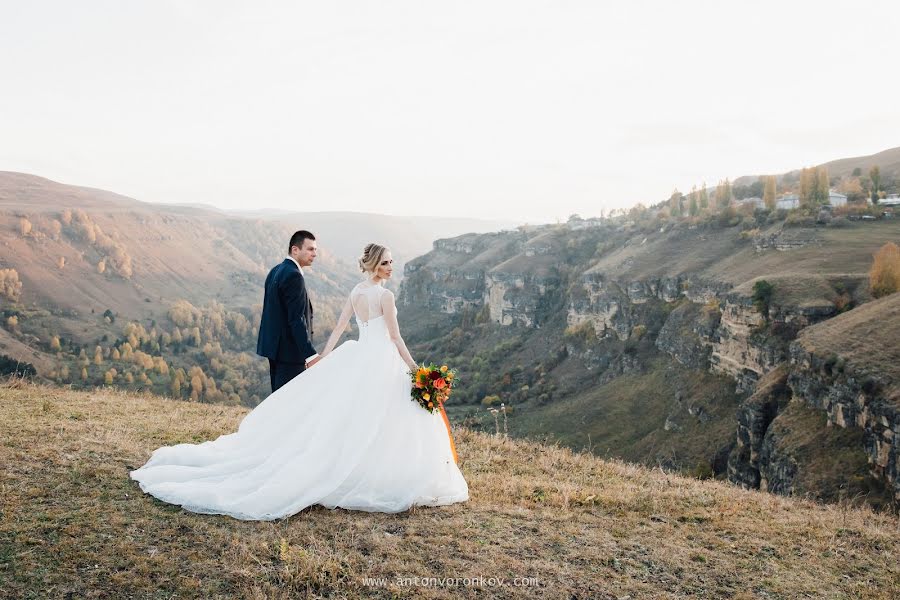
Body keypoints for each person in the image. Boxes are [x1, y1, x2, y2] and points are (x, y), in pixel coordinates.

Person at [129, 243, 469, 520]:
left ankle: (356, 466)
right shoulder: (386, 297)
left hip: (359, 356)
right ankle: (374, 474)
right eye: (387, 263)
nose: (391, 267)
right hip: (381, 362)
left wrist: (324, 357)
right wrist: (417, 371)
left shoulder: (355, 292)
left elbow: (339, 329)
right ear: (376, 265)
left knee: (353, 417)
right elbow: (396, 338)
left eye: (392, 263)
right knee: (381, 419)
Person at [256, 230, 320, 393]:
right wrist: (310, 355)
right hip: (290, 354)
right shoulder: (294, 276)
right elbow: (296, 319)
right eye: (310, 249)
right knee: (290, 403)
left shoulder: (276, 270)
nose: (315, 254)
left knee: (278, 399)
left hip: (275, 350)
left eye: (315, 249)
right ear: (295, 249)